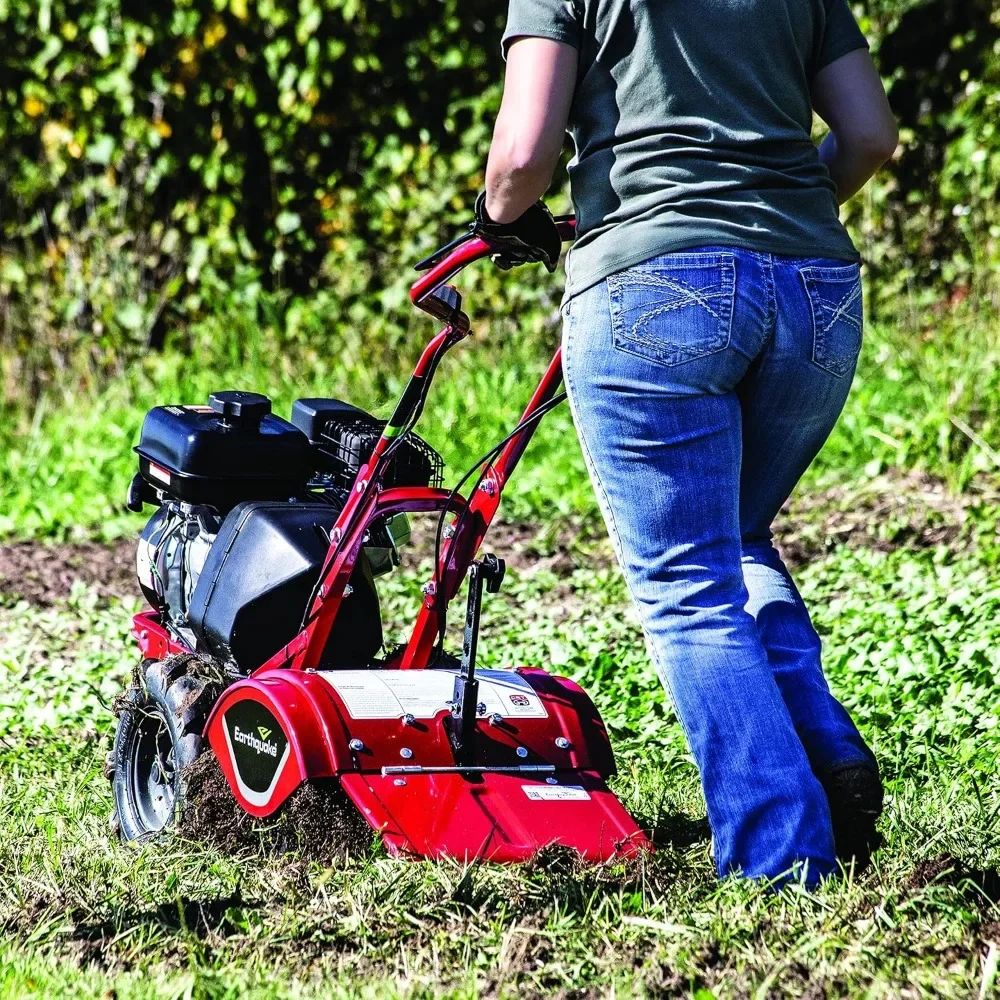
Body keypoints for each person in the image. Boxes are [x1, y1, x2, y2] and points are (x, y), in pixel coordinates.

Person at [476, 0, 898, 884]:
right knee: (738, 535)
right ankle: (821, 749)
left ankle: (782, 859)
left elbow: (522, 155)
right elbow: (868, 135)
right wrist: (787, 214)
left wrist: (501, 215)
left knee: (686, 583)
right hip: (816, 291)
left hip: (654, 281)